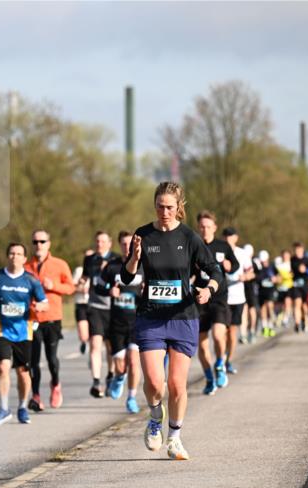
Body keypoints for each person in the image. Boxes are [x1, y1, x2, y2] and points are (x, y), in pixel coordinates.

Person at [120, 182, 222, 460]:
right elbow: (126, 276)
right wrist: (135, 259)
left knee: (177, 385)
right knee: (154, 382)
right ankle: (155, 418)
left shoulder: (189, 237)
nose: (164, 211)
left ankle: (175, 437)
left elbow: (215, 270)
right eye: (160, 206)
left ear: (178, 207)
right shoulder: (143, 234)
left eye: (169, 207)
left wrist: (208, 289)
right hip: (151, 317)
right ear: (154, 205)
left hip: (182, 318)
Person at [0, 243, 48, 425]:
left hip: (23, 331)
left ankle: (22, 407)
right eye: (11, 253)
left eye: (19, 254)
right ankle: (3, 408)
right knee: (3, 367)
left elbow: (44, 302)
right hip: (1, 329)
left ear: (24, 259)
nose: (15, 257)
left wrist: (39, 307)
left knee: (22, 371)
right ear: (7, 256)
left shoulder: (31, 280)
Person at [24, 230, 74, 410]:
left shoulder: (59, 264)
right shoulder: (26, 266)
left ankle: (56, 384)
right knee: (33, 360)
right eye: (35, 241)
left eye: (42, 241)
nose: (39, 245)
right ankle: (36, 396)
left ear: (49, 244)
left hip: (52, 318)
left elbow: (71, 288)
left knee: (51, 358)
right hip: (32, 318)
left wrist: (54, 286)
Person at [97, 230, 143, 414]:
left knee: (134, 360)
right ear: (119, 245)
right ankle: (118, 377)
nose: (127, 246)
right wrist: (109, 291)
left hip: (137, 321)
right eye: (123, 244)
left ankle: (131, 397)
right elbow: (98, 288)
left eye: (130, 243)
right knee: (120, 364)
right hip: (116, 322)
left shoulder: (143, 265)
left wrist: (146, 291)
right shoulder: (111, 267)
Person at [194, 211, 237, 395]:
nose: (205, 230)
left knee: (219, 335)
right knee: (201, 344)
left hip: (219, 298)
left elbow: (234, 265)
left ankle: (220, 363)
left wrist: (229, 265)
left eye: (208, 226)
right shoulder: (193, 245)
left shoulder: (223, 246)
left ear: (214, 228)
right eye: (202, 226)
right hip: (199, 300)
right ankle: (209, 379)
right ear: (198, 228)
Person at [83, 231, 119, 398]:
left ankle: (111, 375)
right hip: (95, 306)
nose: (100, 244)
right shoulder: (89, 260)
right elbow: (85, 278)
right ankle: (96, 381)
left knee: (111, 347)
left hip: (112, 308)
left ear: (110, 243)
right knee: (95, 344)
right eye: (97, 241)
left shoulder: (117, 259)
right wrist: (82, 284)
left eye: (103, 241)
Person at [222, 227, 253, 375]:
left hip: (238, 297)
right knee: (223, 331)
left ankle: (229, 360)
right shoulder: (220, 253)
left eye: (231, 236)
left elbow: (251, 273)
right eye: (226, 236)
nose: (228, 238)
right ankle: (221, 360)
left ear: (236, 238)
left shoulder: (242, 254)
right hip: (223, 297)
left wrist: (244, 277)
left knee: (232, 331)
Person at [71, 250, 94, 356]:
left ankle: (93, 352)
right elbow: (71, 287)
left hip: (94, 305)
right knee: (84, 334)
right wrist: (80, 289)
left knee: (95, 334)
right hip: (81, 304)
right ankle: (85, 342)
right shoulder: (79, 270)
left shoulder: (98, 269)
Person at [289, 242, 308, 332]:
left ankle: (305, 321)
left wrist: (306, 270)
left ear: (302, 250)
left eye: (299, 250)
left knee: (304, 305)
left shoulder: (307, 260)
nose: (297, 252)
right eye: (296, 250)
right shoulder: (292, 259)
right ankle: (297, 324)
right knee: (297, 303)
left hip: (305, 286)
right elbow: (291, 270)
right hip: (296, 286)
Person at [255, 250, 278, 337]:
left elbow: (279, 277)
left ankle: (271, 326)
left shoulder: (272, 266)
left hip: (271, 290)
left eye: (264, 260)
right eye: (262, 261)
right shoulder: (258, 267)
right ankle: (265, 327)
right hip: (261, 291)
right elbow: (255, 278)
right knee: (263, 309)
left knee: (270, 307)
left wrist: (275, 279)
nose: (263, 262)